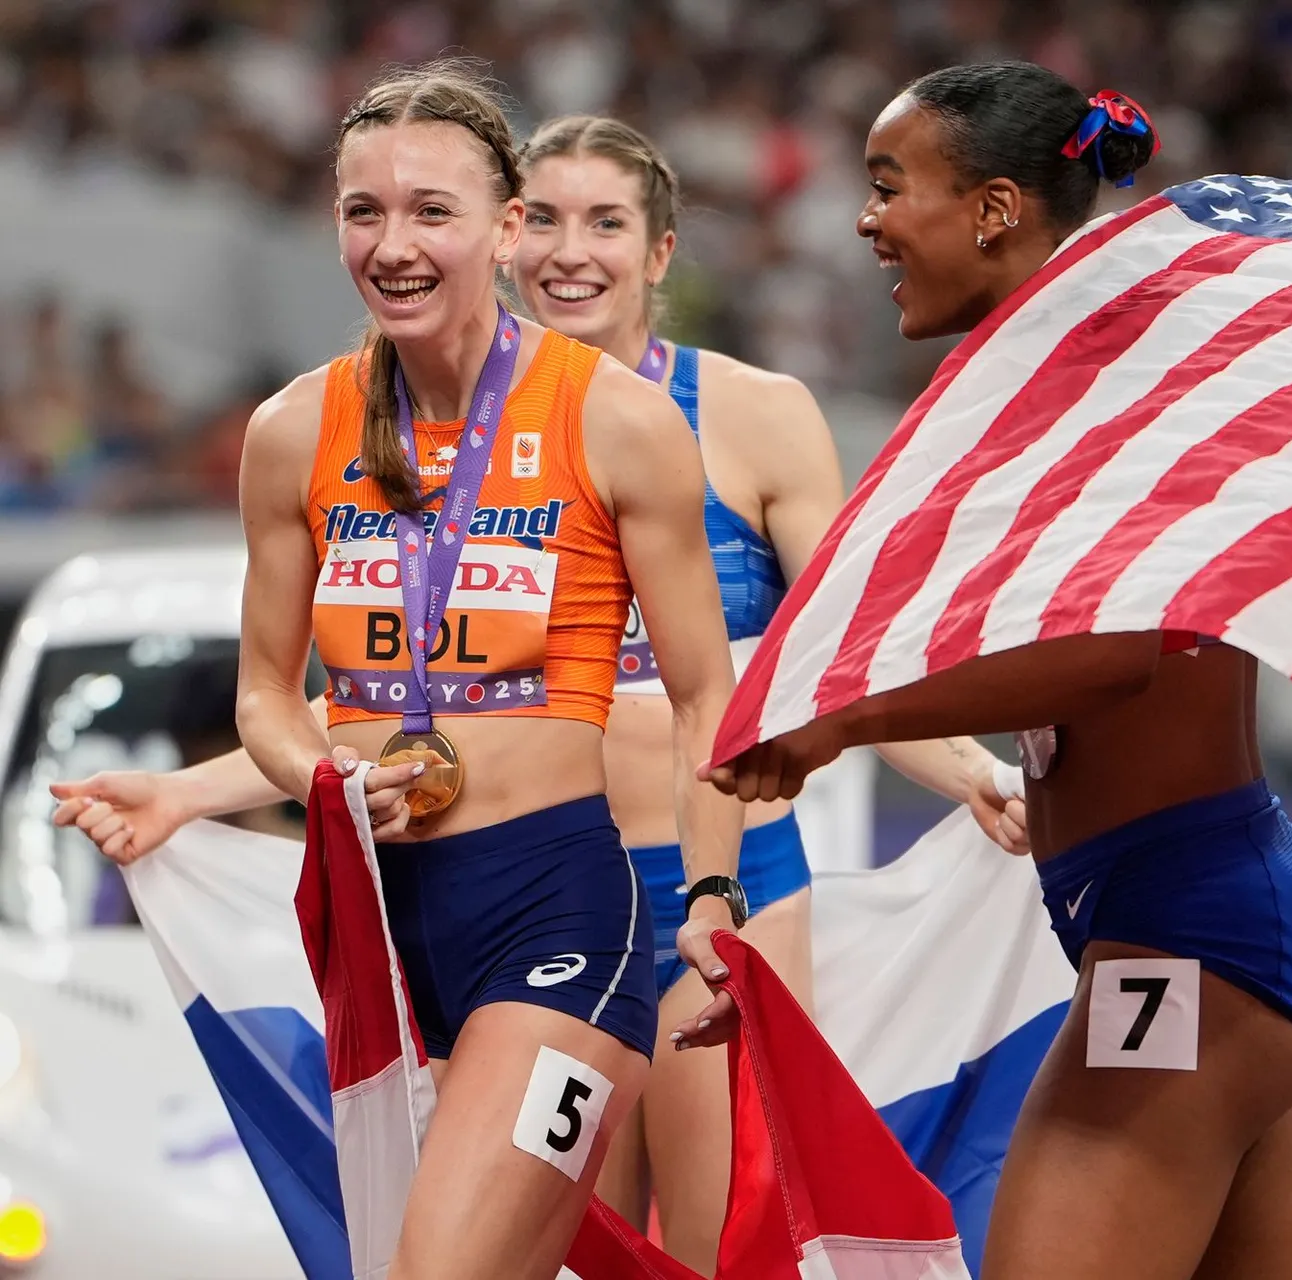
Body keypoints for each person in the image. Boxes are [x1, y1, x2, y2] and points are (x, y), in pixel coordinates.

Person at [55, 107, 1027, 1274]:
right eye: (365, 210)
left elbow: (812, 661)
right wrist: (209, 790)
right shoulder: (312, 427)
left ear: (649, 250)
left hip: (652, 890)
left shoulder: (692, 417)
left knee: (708, 1248)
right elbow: (355, 698)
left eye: (603, 222)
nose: (572, 251)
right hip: (398, 914)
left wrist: (954, 774)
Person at [704, 63, 1292, 1280]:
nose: (865, 220)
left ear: (995, 210)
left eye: (889, 186)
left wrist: (841, 718)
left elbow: (1117, 654)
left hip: (1190, 937)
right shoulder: (1078, 365)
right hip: (1235, 913)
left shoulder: (1106, 376)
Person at [117, 61, 744, 1280]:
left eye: (431, 211)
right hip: (374, 931)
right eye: (365, 211)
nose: (393, 245)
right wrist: (328, 778)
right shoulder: (292, 430)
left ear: (506, 229)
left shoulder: (614, 418)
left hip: (556, 919)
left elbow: (705, 694)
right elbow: (266, 695)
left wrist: (713, 892)